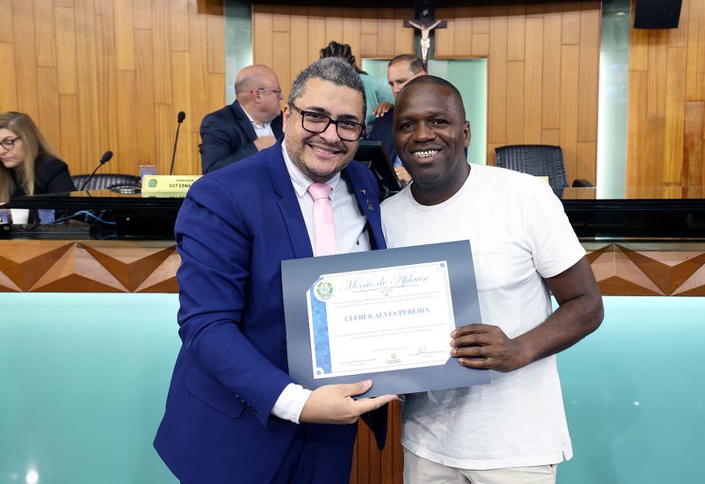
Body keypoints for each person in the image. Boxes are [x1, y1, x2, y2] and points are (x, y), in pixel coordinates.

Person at [154, 57, 396, 484]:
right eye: (315, 116)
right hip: (237, 434)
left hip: (331, 436)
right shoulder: (222, 195)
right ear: (287, 116)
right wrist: (299, 403)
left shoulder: (363, 182)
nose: (330, 135)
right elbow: (206, 326)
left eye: (347, 124)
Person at [382, 76, 604, 484]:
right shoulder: (385, 218)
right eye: (407, 124)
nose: (422, 135)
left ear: (465, 132)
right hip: (426, 445)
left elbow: (587, 304)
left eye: (438, 121)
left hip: (516, 446)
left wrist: (518, 349)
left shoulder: (523, 196)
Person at [199, 64, 284, 173]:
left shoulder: (284, 120)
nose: (281, 97)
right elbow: (212, 171)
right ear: (257, 95)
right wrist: (256, 148)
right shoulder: (218, 122)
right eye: (277, 91)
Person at [0, 112, 75, 222]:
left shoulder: (51, 168)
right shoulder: (3, 171)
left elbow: (68, 208)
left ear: (29, 140)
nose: (1, 151)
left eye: (8, 142)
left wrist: (14, 213)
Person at [366, 54, 427, 185]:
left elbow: (452, 166)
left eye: (400, 81)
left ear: (421, 77)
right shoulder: (384, 119)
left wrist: (414, 176)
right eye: (391, 84)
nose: (395, 89)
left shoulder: (443, 118)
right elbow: (369, 163)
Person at [319, 41, 394, 130]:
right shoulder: (315, 88)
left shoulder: (374, 84)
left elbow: (397, 106)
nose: (337, 75)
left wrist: (389, 106)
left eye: (343, 69)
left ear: (353, 66)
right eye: (330, 70)